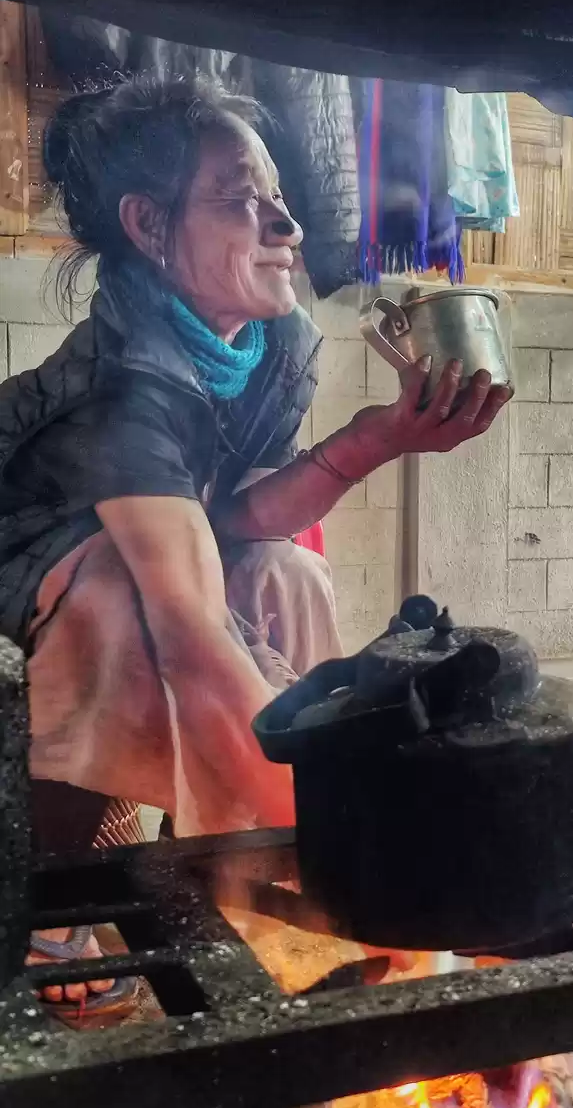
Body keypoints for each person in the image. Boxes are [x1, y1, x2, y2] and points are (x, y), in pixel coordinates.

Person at [0, 75, 510, 1017]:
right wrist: (355, 857)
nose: (286, 224)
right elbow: (193, 639)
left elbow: (234, 521)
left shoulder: (272, 342)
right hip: (25, 551)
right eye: (242, 201)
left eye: (277, 197)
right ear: (150, 226)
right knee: (120, 606)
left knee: (289, 573)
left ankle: (231, 857)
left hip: (149, 536)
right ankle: (52, 888)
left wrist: (378, 438)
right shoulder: (122, 389)